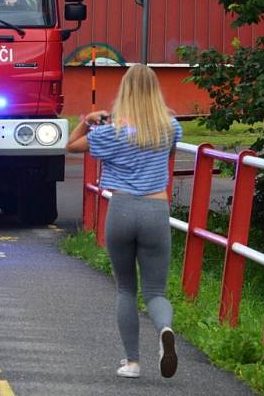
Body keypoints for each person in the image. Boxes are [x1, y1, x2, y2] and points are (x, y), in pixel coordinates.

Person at [66, 64, 182, 379]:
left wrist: (87, 123)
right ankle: (165, 329)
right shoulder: (170, 127)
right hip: (155, 210)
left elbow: (72, 147)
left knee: (126, 289)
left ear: (125, 92)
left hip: (122, 210)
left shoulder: (109, 133)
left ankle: (132, 363)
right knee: (156, 290)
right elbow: (168, 151)